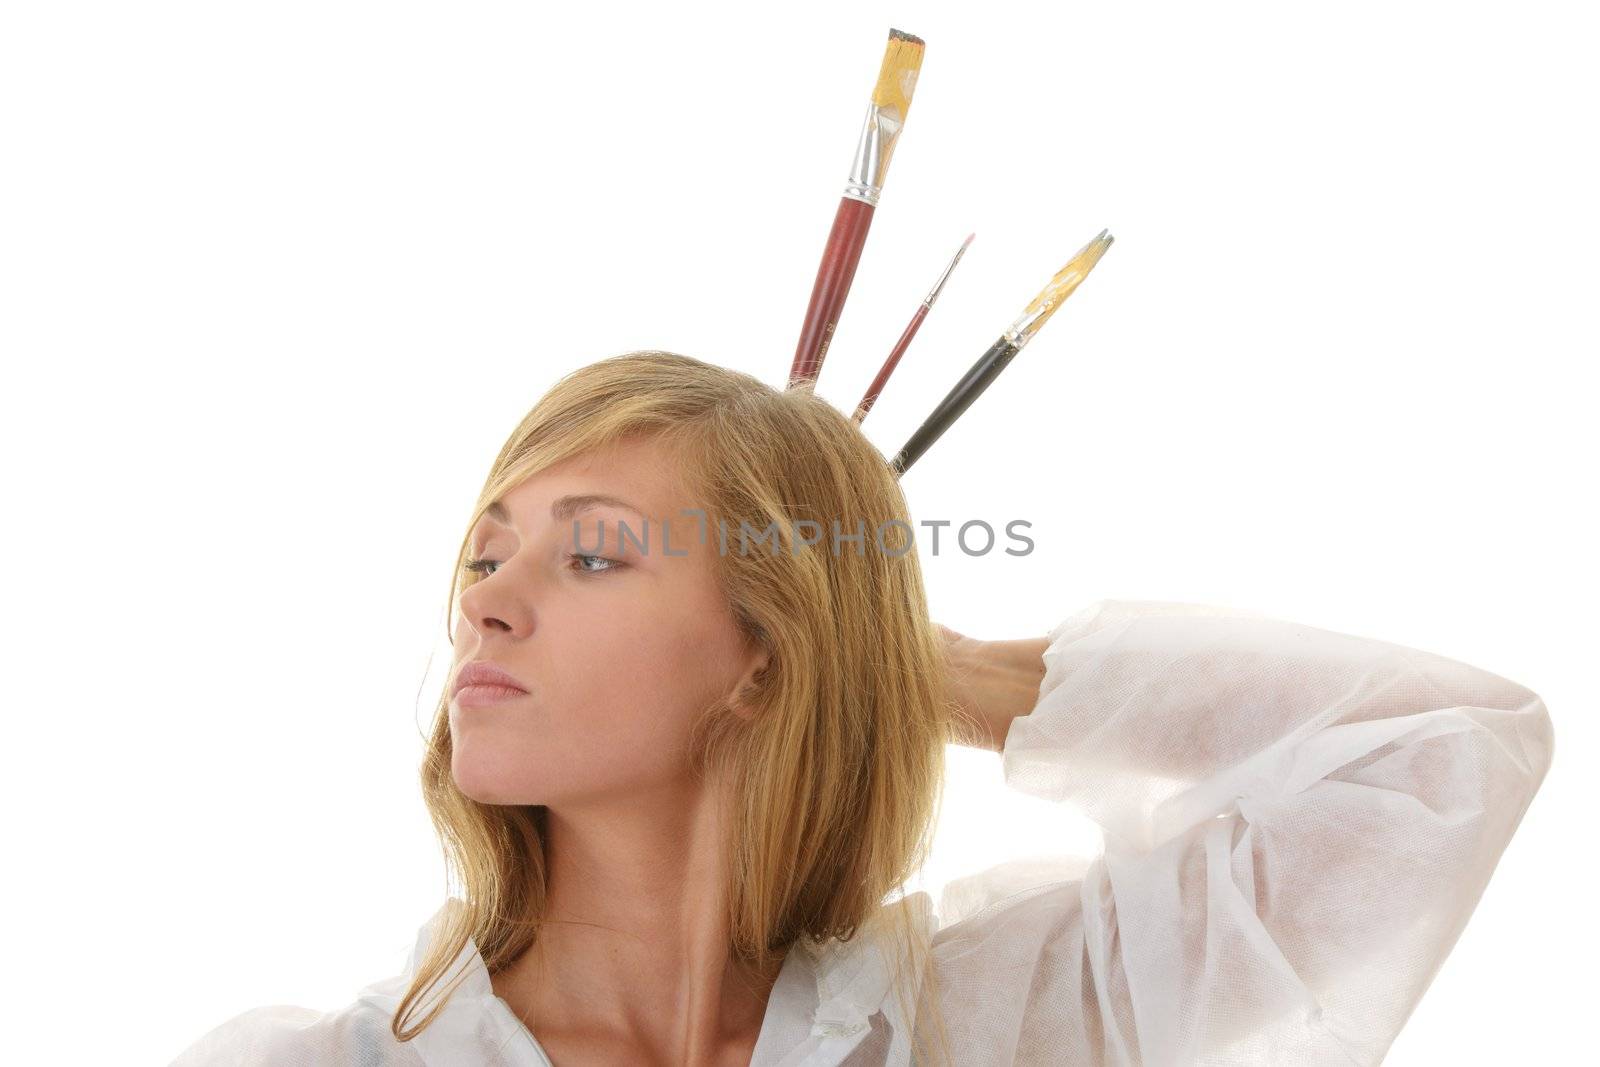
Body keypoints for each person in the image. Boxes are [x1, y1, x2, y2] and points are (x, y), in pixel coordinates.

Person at [170, 351, 1554, 1066]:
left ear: (762, 657)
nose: (488, 599)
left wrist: (921, 666)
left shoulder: (995, 1023)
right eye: (486, 550)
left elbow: (1442, 755)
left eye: (589, 553)